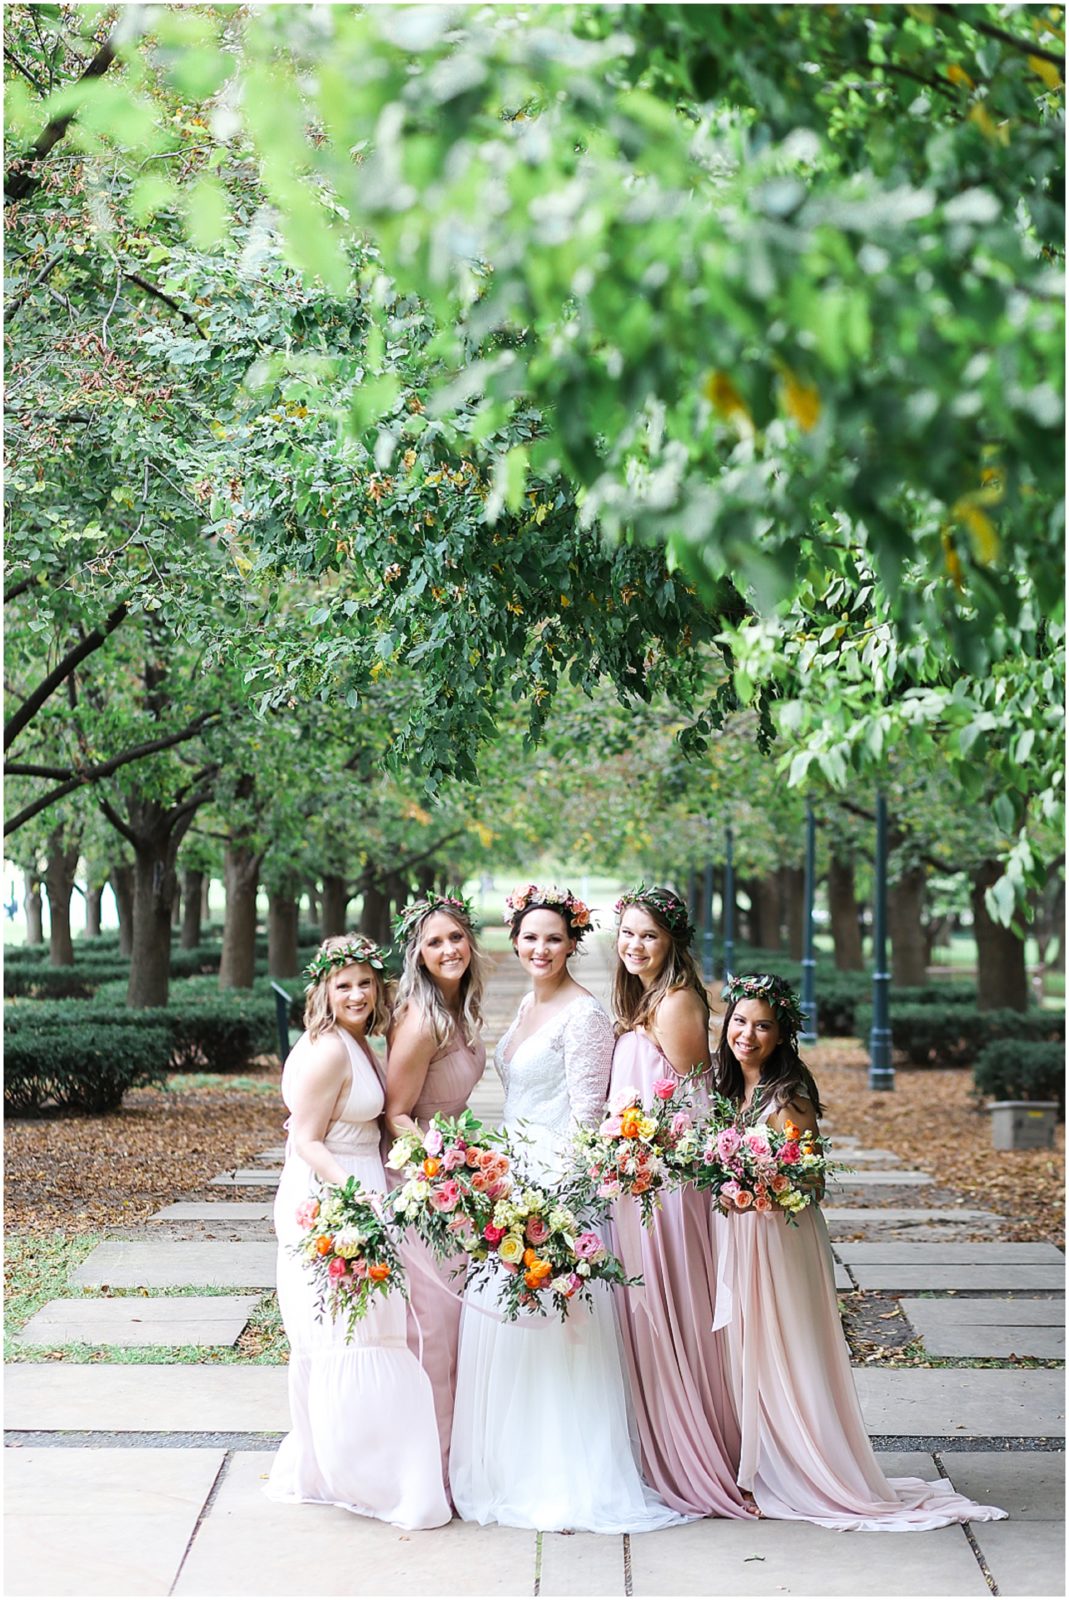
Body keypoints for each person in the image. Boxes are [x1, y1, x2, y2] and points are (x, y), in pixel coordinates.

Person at [711, 972, 1008, 1532]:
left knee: (790, 1351)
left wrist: (761, 1183)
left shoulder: (788, 1096)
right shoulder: (727, 1086)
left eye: (763, 1026)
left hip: (782, 1240)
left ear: (782, 1035)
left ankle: (806, 1468)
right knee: (748, 1351)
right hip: (740, 1235)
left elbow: (812, 1182)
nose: (746, 1034)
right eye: (740, 1021)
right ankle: (759, 1465)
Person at [449, 885, 685, 1534]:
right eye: (529, 937)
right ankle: (506, 1467)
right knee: (508, 1330)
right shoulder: (527, 1002)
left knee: (556, 1334)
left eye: (553, 938)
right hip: (514, 1177)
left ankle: (561, 1479)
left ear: (573, 943)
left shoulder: (583, 1016)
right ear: (514, 941)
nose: (539, 948)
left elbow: (588, 1120)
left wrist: (551, 1213)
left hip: (555, 1193)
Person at [265, 934, 450, 1530]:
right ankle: (366, 1477)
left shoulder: (355, 1041)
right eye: (342, 984)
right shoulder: (326, 1050)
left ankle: (347, 1467)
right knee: (355, 1337)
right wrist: (356, 1192)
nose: (355, 993)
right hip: (331, 1199)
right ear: (323, 989)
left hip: (355, 1189)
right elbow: (306, 1139)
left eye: (364, 983)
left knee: (366, 1333)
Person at [608, 885, 753, 1519]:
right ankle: (664, 1447)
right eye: (629, 933)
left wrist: (651, 1161)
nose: (636, 946)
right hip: (640, 1181)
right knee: (650, 1315)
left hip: (666, 1188)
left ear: (672, 944)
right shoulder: (647, 1000)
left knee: (677, 1312)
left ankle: (701, 1454)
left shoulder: (674, 1005)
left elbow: (699, 1103)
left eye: (650, 936)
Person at [384, 891, 488, 1491]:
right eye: (434, 942)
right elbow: (396, 1113)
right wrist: (439, 1169)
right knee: (434, 1330)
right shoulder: (422, 1020)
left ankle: (457, 1460)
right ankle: (430, 1475)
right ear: (417, 956)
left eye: (455, 938)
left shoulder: (460, 1009)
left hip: (453, 1177)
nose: (447, 949)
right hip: (419, 1183)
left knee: (458, 1324)